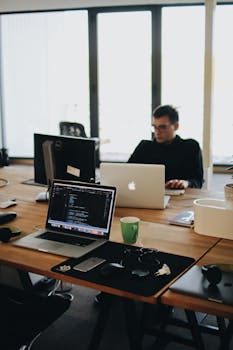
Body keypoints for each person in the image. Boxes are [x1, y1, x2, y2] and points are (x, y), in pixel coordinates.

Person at [128, 104, 204, 189]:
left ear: (176, 126)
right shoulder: (144, 147)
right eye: (155, 127)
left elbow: (198, 181)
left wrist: (186, 183)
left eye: (162, 127)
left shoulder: (191, 147)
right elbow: (126, 173)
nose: (157, 132)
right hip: (147, 195)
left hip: (180, 198)